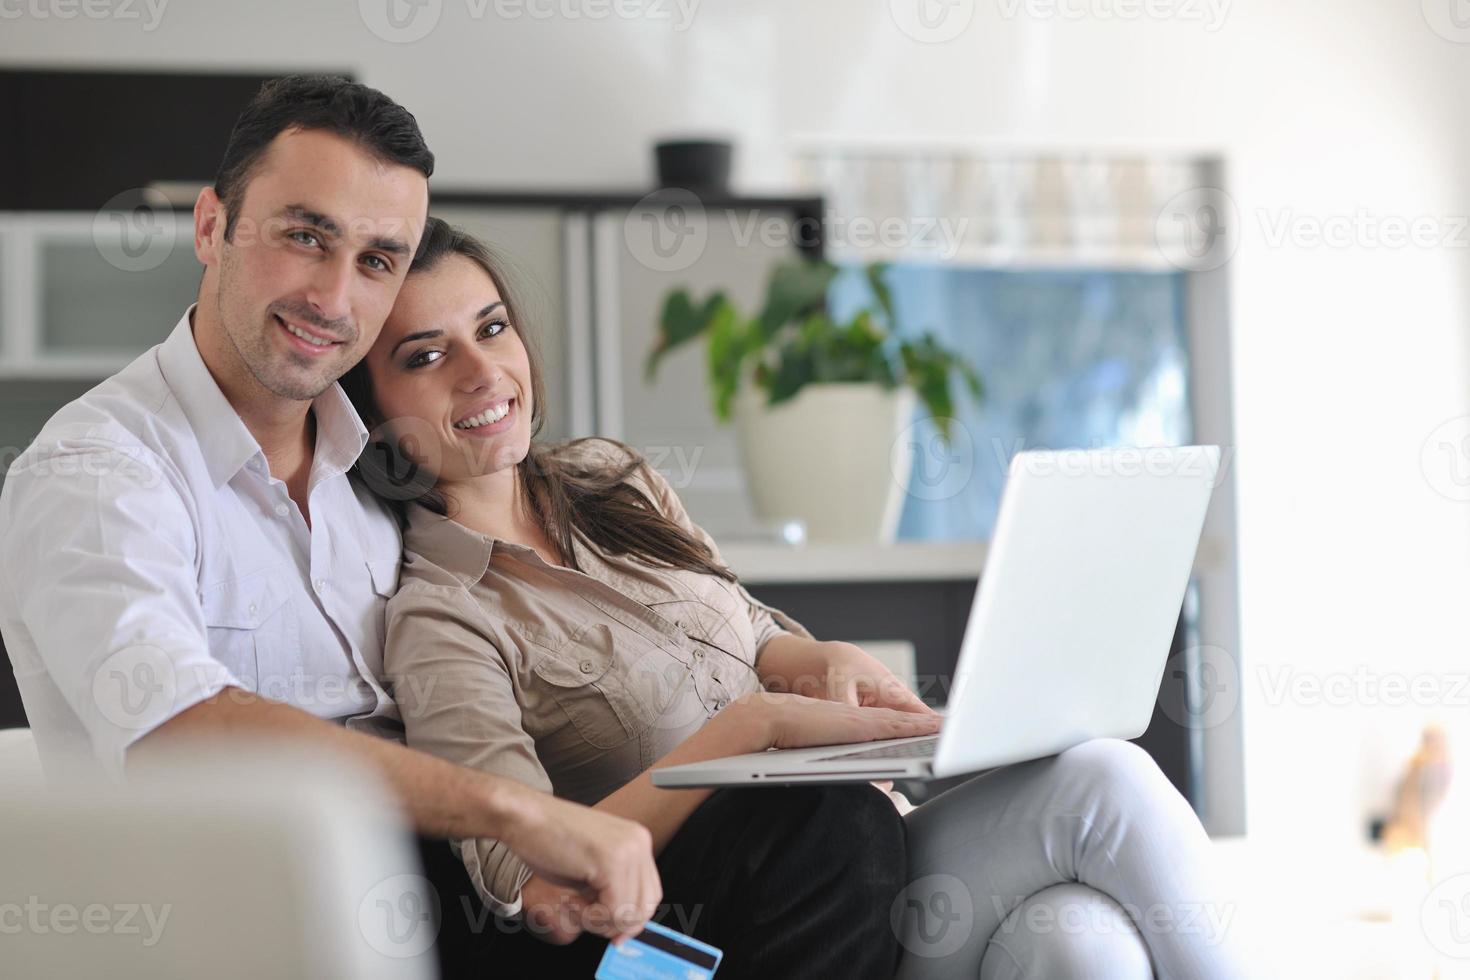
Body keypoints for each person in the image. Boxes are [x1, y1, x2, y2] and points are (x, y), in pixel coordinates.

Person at [343, 216, 1257, 979]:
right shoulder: (440, 615)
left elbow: (744, 626)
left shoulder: (612, 479)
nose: (480, 372)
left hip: (872, 852)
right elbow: (515, 870)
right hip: (756, 925)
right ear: (374, 414)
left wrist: (814, 659)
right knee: (1104, 781)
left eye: (492, 328)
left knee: (1076, 943)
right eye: (427, 356)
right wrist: (744, 731)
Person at [0, 76, 662, 963]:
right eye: (306, 236)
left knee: (809, 831)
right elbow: (174, 730)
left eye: (378, 260)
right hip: (246, 931)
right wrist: (512, 811)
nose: (334, 297)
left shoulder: (380, 468)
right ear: (211, 227)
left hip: (454, 899)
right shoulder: (98, 469)